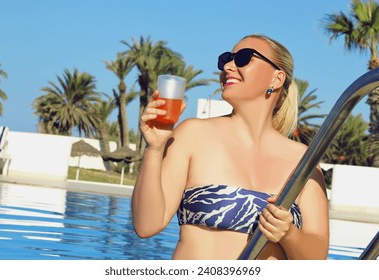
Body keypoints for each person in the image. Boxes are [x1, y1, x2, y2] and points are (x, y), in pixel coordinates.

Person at [132, 34, 329, 260]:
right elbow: (146, 226)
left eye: (244, 58)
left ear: (277, 78)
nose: (227, 66)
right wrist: (154, 149)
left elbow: (317, 259)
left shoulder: (303, 160)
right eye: (226, 59)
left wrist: (288, 234)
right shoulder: (193, 134)